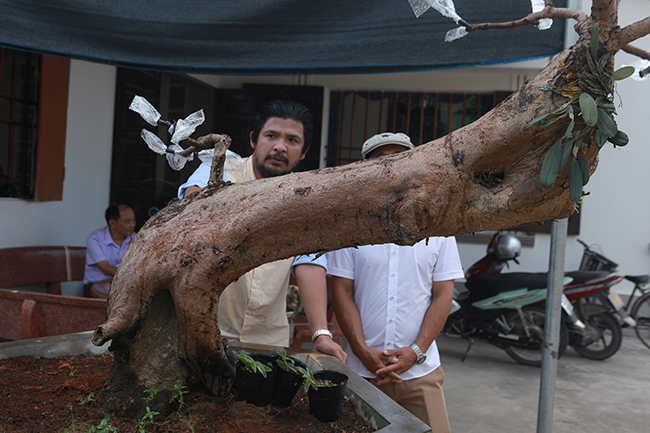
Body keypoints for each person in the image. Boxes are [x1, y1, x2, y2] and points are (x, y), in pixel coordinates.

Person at [178, 100, 346, 363]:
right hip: (205, 333)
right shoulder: (222, 169)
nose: (280, 146)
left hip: (267, 341)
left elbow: (309, 264)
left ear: (303, 152)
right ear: (254, 139)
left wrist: (321, 335)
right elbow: (192, 207)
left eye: (292, 140)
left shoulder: (303, 198)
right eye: (272, 136)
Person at [328, 132, 464, 432]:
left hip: (420, 373)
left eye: (401, 158)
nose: (392, 166)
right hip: (363, 372)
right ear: (366, 169)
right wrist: (362, 350)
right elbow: (341, 291)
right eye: (382, 160)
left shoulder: (437, 223)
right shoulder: (351, 226)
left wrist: (416, 351)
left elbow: (443, 295)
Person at [83, 203, 136, 299]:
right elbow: (105, 268)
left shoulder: (137, 238)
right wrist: (134, 275)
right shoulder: (95, 239)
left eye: (134, 220)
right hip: (94, 287)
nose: (132, 225)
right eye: (127, 221)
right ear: (112, 223)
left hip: (123, 284)